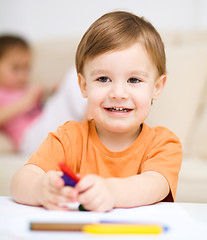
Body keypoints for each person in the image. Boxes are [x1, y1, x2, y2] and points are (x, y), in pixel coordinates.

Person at [11, 11, 182, 212]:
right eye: (103, 79)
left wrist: (111, 191)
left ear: (157, 87)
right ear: (83, 86)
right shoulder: (68, 138)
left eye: (134, 80)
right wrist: (40, 189)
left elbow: (154, 185)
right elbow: (20, 182)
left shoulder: (163, 144)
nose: (118, 93)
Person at [0, 35, 87, 154]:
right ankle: (94, 120)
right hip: (30, 139)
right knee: (73, 75)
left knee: (74, 77)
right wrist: (27, 100)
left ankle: (92, 120)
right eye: (15, 68)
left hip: (44, 126)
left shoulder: (24, 89)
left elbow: (44, 107)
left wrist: (56, 90)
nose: (22, 75)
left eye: (26, 68)